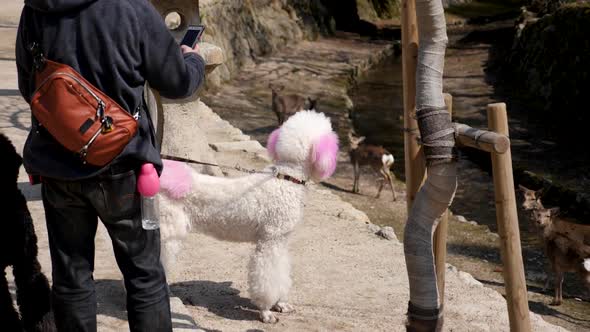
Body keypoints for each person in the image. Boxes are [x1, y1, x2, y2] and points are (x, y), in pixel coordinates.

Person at [15, 0, 205, 331]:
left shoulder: (36, 8)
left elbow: (28, 85)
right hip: (124, 164)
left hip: (58, 164)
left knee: (71, 280)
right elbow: (176, 83)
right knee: (144, 277)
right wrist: (192, 60)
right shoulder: (133, 7)